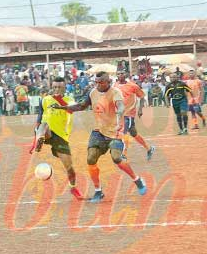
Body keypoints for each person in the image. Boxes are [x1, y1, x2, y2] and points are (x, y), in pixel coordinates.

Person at [54, 72, 147, 203]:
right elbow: (81, 106)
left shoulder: (115, 92)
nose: (98, 85)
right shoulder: (92, 93)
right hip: (98, 131)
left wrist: (120, 110)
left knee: (117, 158)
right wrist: (63, 107)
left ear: (108, 81)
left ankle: (137, 180)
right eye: (96, 82)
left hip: (115, 132)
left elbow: (120, 105)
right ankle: (98, 191)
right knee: (91, 159)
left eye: (101, 82)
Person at [34, 77, 82, 199]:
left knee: (70, 168)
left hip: (61, 136)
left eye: (60, 87)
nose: (56, 89)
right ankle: (39, 139)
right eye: (54, 87)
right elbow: (41, 113)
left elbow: (74, 108)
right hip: (48, 132)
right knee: (43, 125)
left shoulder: (69, 100)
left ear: (65, 88)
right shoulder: (46, 100)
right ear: (51, 87)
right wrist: (37, 126)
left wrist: (60, 106)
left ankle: (73, 187)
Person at [114, 70, 156, 161]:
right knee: (133, 133)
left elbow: (141, 97)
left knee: (123, 132)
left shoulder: (133, 86)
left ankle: (124, 154)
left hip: (128, 114)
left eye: (122, 73)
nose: (120, 75)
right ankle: (149, 149)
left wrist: (140, 109)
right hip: (119, 114)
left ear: (125, 75)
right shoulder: (114, 86)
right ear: (116, 75)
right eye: (118, 74)